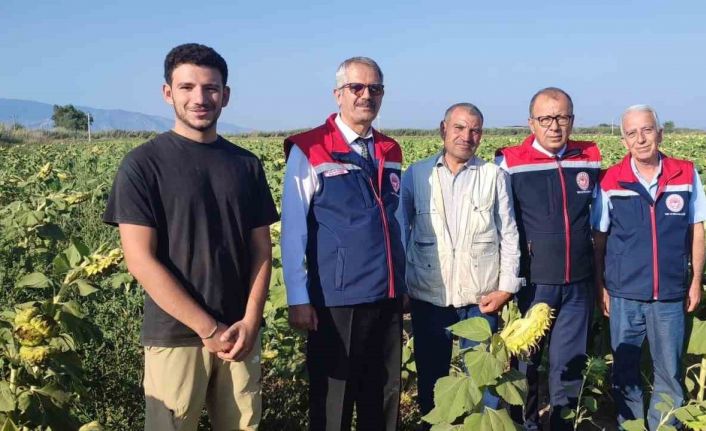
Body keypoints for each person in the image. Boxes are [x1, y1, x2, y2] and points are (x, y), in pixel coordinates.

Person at [103, 43, 279, 431]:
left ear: (225, 95)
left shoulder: (246, 165)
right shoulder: (143, 165)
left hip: (240, 335)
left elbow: (261, 251)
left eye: (210, 88)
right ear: (168, 93)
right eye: (186, 87)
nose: (199, 98)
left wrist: (250, 321)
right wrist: (208, 329)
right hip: (176, 334)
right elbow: (140, 260)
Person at [280, 56, 405, 431]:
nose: (366, 95)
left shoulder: (389, 149)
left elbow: (397, 221)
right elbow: (293, 228)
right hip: (336, 297)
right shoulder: (311, 148)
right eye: (357, 88)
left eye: (375, 89)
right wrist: (298, 297)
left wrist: (406, 280)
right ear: (338, 94)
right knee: (334, 396)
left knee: (382, 394)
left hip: (386, 293)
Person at [399, 103, 521, 418]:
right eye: (459, 127)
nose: (466, 136)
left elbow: (509, 233)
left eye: (475, 130)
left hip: (481, 297)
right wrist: (401, 285)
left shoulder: (493, 175)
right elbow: (401, 232)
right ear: (443, 129)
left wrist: (506, 287)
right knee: (433, 380)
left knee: (485, 381)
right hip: (429, 295)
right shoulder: (417, 175)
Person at [592, 104, 706, 430]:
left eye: (647, 130)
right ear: (624, 141)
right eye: (632, 133)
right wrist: (600, 287)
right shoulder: (611, 181)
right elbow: (599, 240)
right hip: (624, 294)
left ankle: (664, 426)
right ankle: (630, 425)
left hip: (670, 293)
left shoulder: (685, 174)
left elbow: (697, 229)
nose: (641, 139)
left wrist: (695, 280)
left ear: (660, 133)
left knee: (669, 371)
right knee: (625, 371)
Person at [496, 87, 602, 430]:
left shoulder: (589, 157)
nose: (554, 126)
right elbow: (501, 222)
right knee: (525, 361)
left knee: (568, 363)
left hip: (578, 282)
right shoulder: (510, 162)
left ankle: (561, 423)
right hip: (534, 282)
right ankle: (523, 423)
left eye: (562, 117)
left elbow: (599, 219)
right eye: (545, 118)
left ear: (572, 119)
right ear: (531, 123)